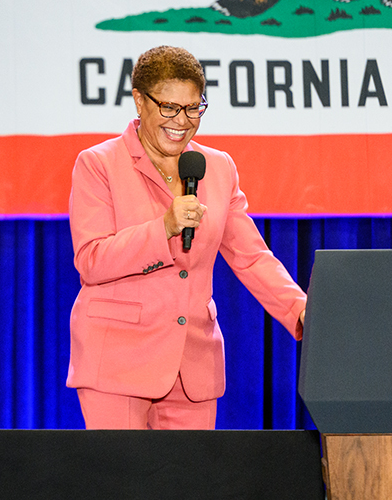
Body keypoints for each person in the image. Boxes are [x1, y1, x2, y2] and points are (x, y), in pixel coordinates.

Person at [66, 45, 307, 429]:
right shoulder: (99, 164)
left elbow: (251, 257)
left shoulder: (217, 168)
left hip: (193, 366)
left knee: (190, 487)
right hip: (117, 361)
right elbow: (92, 260)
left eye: (194, 108)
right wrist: (163, 227)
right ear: (139, 101)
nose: (182, 120)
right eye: (169, 107)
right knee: (124, 486)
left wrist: (302, 311)